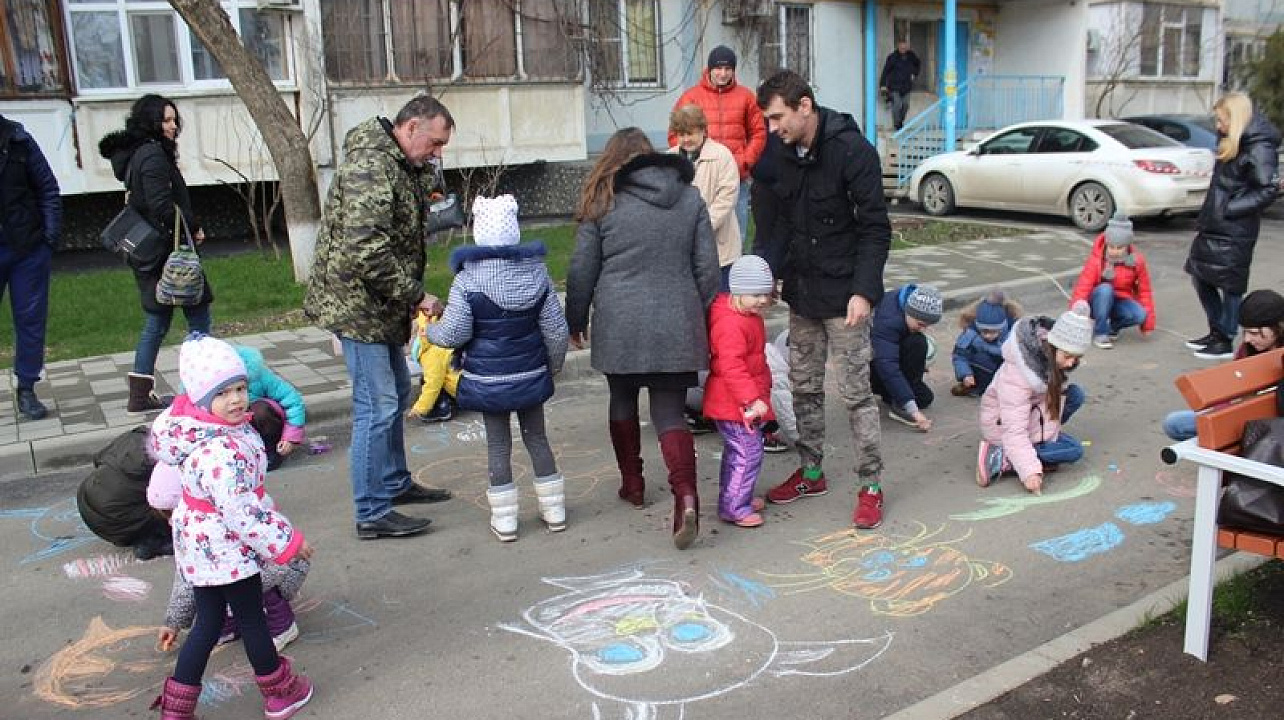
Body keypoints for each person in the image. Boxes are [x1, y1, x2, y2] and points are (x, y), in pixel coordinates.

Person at [304, 95, 456, 540]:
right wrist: (417, 296)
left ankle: (393, 482)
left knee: (400, 390)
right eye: (435, 142)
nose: (437, 153)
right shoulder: (371, 166)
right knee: (377, 405)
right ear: (410, 128)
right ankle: (371, 510)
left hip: (381, 303)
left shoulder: (400, 164)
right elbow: (366, 251)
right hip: (357, 306)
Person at [565, 127, 720, 550]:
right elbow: (708, 268)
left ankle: (632, 485)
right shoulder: (689, 198)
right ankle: (686, 496)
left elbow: (581, 268)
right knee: (669, 413)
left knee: (621, 399)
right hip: (677, 319)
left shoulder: (603, 198)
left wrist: (575, 319)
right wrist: (707, 316)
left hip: (620, 321)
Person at [753, 70, 893, 530]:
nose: (773, 128)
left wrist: (864, 291)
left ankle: (870, 484)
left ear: (805, 106)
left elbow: (875, 228)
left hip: (846, 296)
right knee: (804, 388)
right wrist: (767, 273)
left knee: (856, 394)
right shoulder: (780, 152)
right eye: (768, 120)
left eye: (778, 117)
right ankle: (811, 472)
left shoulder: (853, 151)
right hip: (802, 293)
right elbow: (772, 219)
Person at [148, 334, 313, 720]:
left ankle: (176, 708)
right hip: (226, 549)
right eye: (222, 393)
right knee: (252, 618)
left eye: (240, 388)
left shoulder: (202, 429)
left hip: (202, 545)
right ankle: (280, 693)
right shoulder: (221, 451)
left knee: (207, 623)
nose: (236, 399)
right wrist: (288, 542)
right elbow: (241, 511)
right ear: (201, 398)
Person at [425, 194, 570, 542]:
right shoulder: (538, 274)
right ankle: (555, 510)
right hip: (530, 374)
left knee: (498, 445)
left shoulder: (468, 280)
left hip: (488, 380)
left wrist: (430, 332)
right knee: (537, 438)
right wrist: (552, 366)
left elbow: (455, 333)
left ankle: (505, 520)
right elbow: (556, 330)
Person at [98, 95, 213, 415]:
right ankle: (206, 385)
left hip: (150, 252)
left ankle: (140, 395)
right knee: (198, 316)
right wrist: (193, 226)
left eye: (174, 120)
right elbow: (162, 205)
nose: (173, 126)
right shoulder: (152, 155)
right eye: (166, 120)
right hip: (168, 253)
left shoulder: (138, 154)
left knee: (157, 320)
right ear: (150, 122)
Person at [149, 461, 309, 652]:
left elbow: (270, 544)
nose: (172, 521)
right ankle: (230, 621)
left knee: (237, 579)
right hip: (247, 570)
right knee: (211, 581)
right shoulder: (196, 526)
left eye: (174, 512)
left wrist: (292, 545)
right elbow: (186, 579)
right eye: (167, 516)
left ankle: (282, 625)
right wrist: (173, 622)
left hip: (282, 569)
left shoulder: (238, 516)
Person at [1184, 92, 1281, 361]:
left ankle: (1225, 338)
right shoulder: (1233, 141)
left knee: (1230, 285)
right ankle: (1217, 331)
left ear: (1235, 118)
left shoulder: (1259, 146)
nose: (1218, 125)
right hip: (1215, 224)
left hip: (1236, 229)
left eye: (1221, 119)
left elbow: (1268, 189)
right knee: (1199, 275)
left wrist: (1230, 208)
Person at [976, 302, 1094, 495]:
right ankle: (1002, 456)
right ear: (1053, 347)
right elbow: (1014, 430)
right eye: (1068, 356)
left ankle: (1038, 445)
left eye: (1076, 358)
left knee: (1075, 394)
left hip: (1033, 413)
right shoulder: (1018, 376)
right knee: (1073, 450)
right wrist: (1030, 472)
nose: (1071, 363)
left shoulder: (1048, 360)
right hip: (1002, 427)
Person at [668, 45, 766, 245]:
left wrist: (744, 162)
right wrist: (690, 163)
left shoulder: (746, 97)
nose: (723, 73)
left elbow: (758, 132)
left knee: (735, 234)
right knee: (699, 232)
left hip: (736, 176)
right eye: (718, 68)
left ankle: (733, 264)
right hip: (700, 176)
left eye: (728, 68)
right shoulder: (691, 97)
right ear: (710, 69)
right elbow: (675, 133)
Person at [704, 255, 776, 528]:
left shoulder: (746, 315)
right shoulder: (731, 324)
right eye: (755, 295)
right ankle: (734, 506)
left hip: (738, 401)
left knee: (739, 452)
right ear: (737, 291)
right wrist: (751, 399)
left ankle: (736, 497)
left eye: (765, 294)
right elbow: (731, 367)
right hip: (734, 403)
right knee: (748, 452)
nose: (762, 300)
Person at [0, 114, 61, 421]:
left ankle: (26, 388)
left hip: (27, 248)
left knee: (30, 321)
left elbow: (47, 188)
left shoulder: (18, 140)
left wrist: (49, 238)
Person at [1163, 289, 1284, 441]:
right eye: (1245, 332)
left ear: (1278, 327)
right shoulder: (1247, 349)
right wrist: (1218, 414)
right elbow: (1232, 390)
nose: (1247, 339)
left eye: (1254, 333)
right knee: (1175, 423)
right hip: (1244, 418)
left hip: (1270, 425)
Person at [669, 104, 741, 287]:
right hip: (682, 249)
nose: (686, 139)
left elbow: (727, 198)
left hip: (720, 248)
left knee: (720, 299)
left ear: (703, 130)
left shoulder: (722, 155)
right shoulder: (670, 159)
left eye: (690, 133)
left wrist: (701, 225)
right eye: (681, 134)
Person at [75, 425, 173, 560]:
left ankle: (146, 535)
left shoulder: (134, 438)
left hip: (86, 500)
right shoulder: (168, 459)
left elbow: (98, 459)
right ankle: (150, 542)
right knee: (177, 505)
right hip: (118, 520)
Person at [1070, 212, 1155, 350]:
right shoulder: (1096, 260)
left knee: (1139, 315)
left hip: (1120, 300)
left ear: (1127, 246)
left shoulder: (1137, 261)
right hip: (1097, 301)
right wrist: (1074, 319)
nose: (1114, 251)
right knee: (1105, 289)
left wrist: (1147, 324)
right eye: (1111, 247)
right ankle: (1100, 332)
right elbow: (1082, 288)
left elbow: (1145, 291)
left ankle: (1112, 327)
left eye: (1119, 248)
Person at [871, 284, 944, 432]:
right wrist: (912, 409)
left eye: (927, 325)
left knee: (924, 398)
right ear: (908, 311)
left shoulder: (905, 302)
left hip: (883, 357)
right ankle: (899, 403)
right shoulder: (888, 322)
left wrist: (917, 363)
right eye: (920, 324)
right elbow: (887, 365)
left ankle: (896, 394)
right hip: (871, 368)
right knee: (918, 342)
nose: (923, 329)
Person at [232, 345, 307, 471]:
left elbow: (293, 401)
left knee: (260, 411)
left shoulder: (258, 375)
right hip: (235, 428)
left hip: (262, 422)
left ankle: (271, 449)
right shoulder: (210, 383)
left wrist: (289, 438)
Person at [951, 288, 1022, 397]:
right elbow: (959, 355)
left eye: (993, 332)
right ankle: (978, 385)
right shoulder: (970, 334)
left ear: (1001, 328)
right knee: (981, 359)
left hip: (1005, 367)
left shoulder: (1012, 333)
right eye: (984, 332)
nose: (988, 336)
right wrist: (965, 374)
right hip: (983, 368)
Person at [406, 310, 459, 424]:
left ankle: (443, 408)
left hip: (464, 389)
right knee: (438, 375)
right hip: (471, 382)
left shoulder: (432, 352)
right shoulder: (442, 341)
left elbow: (432, 384)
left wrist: (419, 409)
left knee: (429, 379)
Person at [879, 39, 921, 131]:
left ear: (907, 47)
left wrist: (914, 73)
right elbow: (885, 71)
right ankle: (897, 125)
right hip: (894, 86)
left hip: (906, 86)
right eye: (901, 47)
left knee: (906, 105)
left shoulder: (911, 56)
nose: (903, 49)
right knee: (897, 104)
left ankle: (900, 122)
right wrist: (883, 85)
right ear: (898, 47)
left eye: (905, 47)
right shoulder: (892, 57)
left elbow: (918, 64)